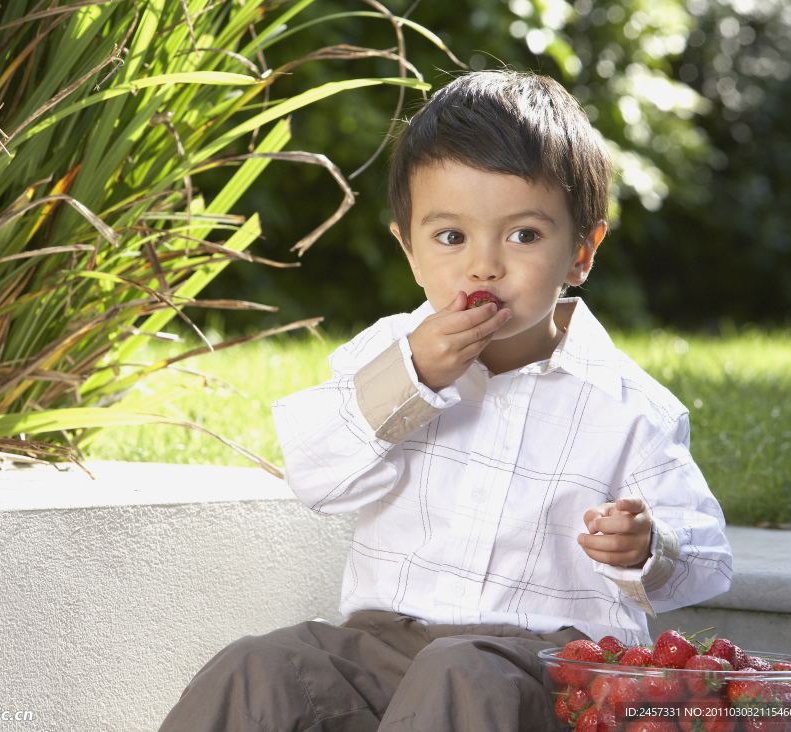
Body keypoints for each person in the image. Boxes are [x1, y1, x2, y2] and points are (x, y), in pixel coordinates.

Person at [158, 69, 732, 732]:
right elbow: (315, 474)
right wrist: (411, 379)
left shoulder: (627, 405)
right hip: (386, 644)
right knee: (257, 668)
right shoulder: (386, 355)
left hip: (546, 663)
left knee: (459, 672)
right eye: (451, 237)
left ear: (581, 251)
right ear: (408, 250)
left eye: (523, 235)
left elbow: (707, 562)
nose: (483, 265)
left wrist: (646, 548)